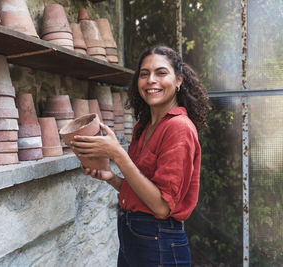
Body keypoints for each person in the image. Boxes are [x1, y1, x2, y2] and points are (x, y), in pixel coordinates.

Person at [70, 45, 210, 266]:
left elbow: (161, 207)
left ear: (179, 81)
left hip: (159, 242)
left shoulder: (179, 128)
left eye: (161, 73)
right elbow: (144, 192)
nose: (151, 80)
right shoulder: (142, 128)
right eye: (144, 74)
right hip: (132, 238)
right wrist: (111, 178)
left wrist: (117, 154)